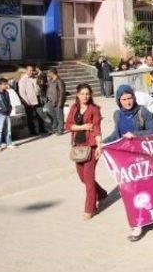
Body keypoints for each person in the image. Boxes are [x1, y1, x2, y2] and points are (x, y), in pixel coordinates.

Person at [104, 84, 153, 241]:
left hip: (142, 159)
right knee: (131, 192)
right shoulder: (118, 115)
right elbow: (117, 134)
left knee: (143, 190)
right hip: (125, 161)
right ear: (118, 101)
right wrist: (104, 143)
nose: (127, 102)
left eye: (130, 98)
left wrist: (135, 134)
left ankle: (149, 216)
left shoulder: (143, 111)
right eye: (124, 99)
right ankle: (138, 224)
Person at [65, 84, 107, 220]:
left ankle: (90, 209)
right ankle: (101, 194)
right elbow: (68, 125)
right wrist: (82, 126)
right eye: (82, 93)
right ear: (77, 94)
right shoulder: (74, 108)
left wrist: (99, 146)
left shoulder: (94, 109)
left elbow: (96, 129)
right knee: (82, 177)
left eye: (88, 94)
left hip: (91, 147)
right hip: (78, 147)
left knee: (88, 179)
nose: (85, 96)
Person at [18, 65, 47, 135]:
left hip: (37, 98)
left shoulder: (34, 78)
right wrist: (27, 101)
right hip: (29, 101)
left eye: (32, 70)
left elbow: (38, 88)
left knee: (40, 114)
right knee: (30, 117)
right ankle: (33, 131)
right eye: (30, 70)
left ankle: (42, 129)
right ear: (26, 70)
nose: (31, 72)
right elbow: (22, 92)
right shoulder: (23, 80)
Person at [46, 67, 66, 136]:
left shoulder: (59, 81)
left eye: (49, 72)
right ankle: (55, 129)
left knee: (59, 116)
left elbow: (62, 92)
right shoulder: (51, 80)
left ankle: (60, 130)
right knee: (53, 116)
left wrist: (60, 103)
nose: (48, 74)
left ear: (52, 73)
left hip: (57, 102)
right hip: (51, 101)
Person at [0, 78, 13, 150]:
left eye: (7, 84)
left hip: (7, 113)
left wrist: (10, 108)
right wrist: (0, 109)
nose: (6, 85)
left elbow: (8, 102)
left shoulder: (6, 92)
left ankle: (9, 143)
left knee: (8, 129)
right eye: (4, 84)